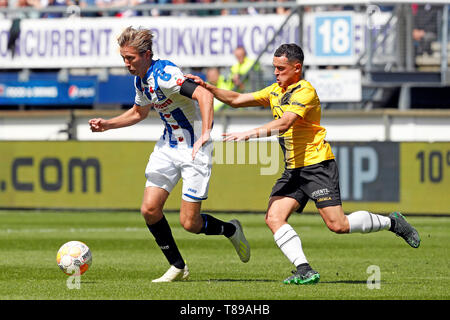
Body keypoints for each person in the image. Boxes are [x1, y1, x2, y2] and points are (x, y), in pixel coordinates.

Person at [186, 43, 421, 285]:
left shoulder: (305, 92)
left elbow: (285, 123)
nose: (276, 73)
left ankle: (393, 222)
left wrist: (250, 133)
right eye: (275, 68)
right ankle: (305, 269)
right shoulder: (276, 91)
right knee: (274, 217)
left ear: (296, 68)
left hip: (316, 165)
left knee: (338, 225)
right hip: (293, 169)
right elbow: (236, 99)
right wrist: (207, 86)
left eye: (281, 68)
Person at [89, 26, 250, 282]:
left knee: (190, 224)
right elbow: (138, 112)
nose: (127, 64)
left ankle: (230, 229)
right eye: (124, 58)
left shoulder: (165, 74)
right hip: (167, 147)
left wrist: (206, 132)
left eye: (130, 58)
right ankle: (178, 266)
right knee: (149, 209)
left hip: (194, 149)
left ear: (146, 54)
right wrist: (107, 124)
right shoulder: (141, 79)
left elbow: (204, 95)